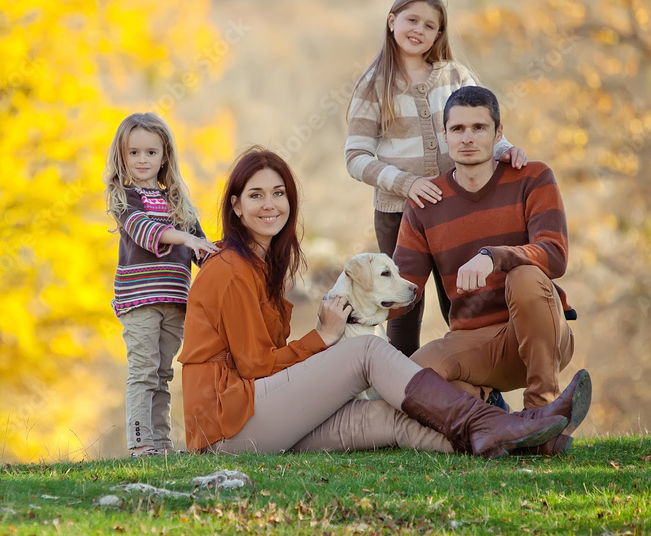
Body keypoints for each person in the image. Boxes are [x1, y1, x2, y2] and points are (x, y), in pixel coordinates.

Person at [179, 147, 582, 459]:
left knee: (388, 420)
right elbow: (256, 366)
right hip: (226, 422)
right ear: (235, 205)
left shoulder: (260, 267)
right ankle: (503, 422)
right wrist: (321, 338)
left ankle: (515, 440)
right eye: (256, 195)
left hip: (255, 419)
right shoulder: (229, 269)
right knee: (366, 351)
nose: (270, 204)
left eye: (279, 193)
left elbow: (265, 364)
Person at [394, 86, 588, 455]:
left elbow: (555, 254)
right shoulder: (425, 203)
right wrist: (357, 299)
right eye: (459, 129)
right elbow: (406, 290)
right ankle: (499, 426)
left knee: (525, 274)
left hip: (540, 332)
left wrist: (492, 256)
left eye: (479, 128)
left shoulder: (532, 177)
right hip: (475, 343)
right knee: (410, 377)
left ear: (499, 133)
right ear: (445, 135)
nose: (468, 138)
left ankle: (541, 412)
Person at [345, 0, 528, 362]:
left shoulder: (455, 76)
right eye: (412, 19)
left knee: (462, 297)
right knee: (402, 303)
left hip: (454, 209)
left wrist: (507, 151)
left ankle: (479, 383)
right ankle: (400, 390)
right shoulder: (372, 85)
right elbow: (356, 156)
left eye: (431, 25)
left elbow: (484, 126)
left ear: (439, 34)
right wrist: (406, 183)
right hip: (398, 213)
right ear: (392, 20)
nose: (420, 30)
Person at [103, 112, 219, 457]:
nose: (142, 160)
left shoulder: (178, 202)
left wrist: (223, 255)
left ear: (164, 156)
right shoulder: (125, 199)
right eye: (134, 153)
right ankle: (140, 443)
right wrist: (186, 238)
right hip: (139, 300)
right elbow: (146, 231)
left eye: (151, 153)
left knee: (164, 374)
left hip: (175, 300)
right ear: (122, 156)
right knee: (143, 370)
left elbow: (203, 249)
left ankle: (162, 445)